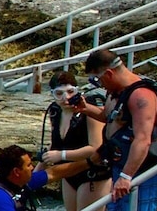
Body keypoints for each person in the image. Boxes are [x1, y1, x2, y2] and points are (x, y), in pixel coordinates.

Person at [68, 50, 157, 211]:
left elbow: (143, 139)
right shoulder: (116, 92)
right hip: (119, 164)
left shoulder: (141, 96)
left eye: (98, 80)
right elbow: (108, 117)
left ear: (108, 74)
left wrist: (126, 176)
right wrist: (85, 108)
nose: (100, 85)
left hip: (141, 170)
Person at [40, 73, 110, 211]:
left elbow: (96, 147)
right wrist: (34, 176)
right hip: (69, 172)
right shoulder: (55, 111)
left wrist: (62, 155)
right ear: (52, 94)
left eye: (71, 92)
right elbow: (56, 145)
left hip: (93, 173)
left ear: (78, 91)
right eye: (59, 94)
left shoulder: (88, 109)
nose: (66, 98)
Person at [0, 145, 51, 211]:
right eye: (28, 165)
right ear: (16, 172)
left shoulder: (21, 182)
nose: (32, 168)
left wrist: (61, 154)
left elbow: (54, 173)